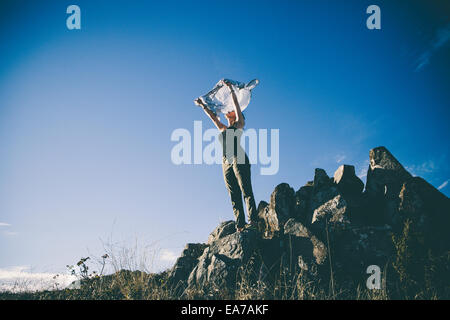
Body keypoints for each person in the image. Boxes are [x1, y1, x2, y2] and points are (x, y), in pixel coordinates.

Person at [194, 80, 258, 232]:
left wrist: (230, 89)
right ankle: (240, 225)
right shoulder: (223, 128)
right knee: (233, 193)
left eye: (230, 111)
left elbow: (236, 106)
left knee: (245, 189)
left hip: (239, 157)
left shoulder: (239, 124)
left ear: (236, 115)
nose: (227, 111)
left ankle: (254, 221)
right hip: (226, 161)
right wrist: (202, 106)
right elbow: (213, 118)